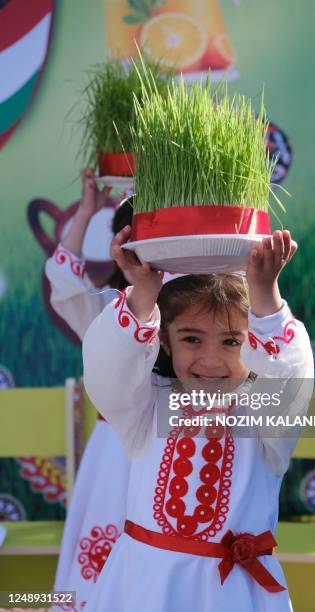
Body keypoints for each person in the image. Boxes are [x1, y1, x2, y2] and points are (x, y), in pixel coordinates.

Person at [83, 226, 314, 611]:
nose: (210, 361)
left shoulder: (263, 413)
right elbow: (108, 371)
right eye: (191, 339)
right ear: (164, 340)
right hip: (144, 588)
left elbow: (289, 383)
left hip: (232, 595)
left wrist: (267, 300)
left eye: (231, 341)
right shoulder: (148, 404)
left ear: (254, 340)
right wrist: (142, 293)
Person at [45, 169, 133, 610]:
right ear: (119, 251)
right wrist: (85, 212)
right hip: (113, 460)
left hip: (176, 454)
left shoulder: (194, 316)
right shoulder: (105, 312)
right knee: (99, 572)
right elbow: (64, 279)